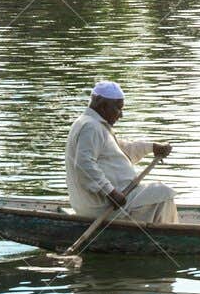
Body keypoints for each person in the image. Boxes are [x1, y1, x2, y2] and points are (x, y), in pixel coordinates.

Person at [65, 81, 177, 224]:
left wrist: (153, 147)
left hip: (118, 197)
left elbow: (122, 150)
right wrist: (110, 192)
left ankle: (159, 229)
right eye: (118, 108)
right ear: (102, 105)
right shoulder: (90, 127)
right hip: (102, 205)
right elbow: (83, 165)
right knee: (163, 192)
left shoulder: (95, 124)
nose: (121, 115)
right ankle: (165, 233)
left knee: (158, 193)